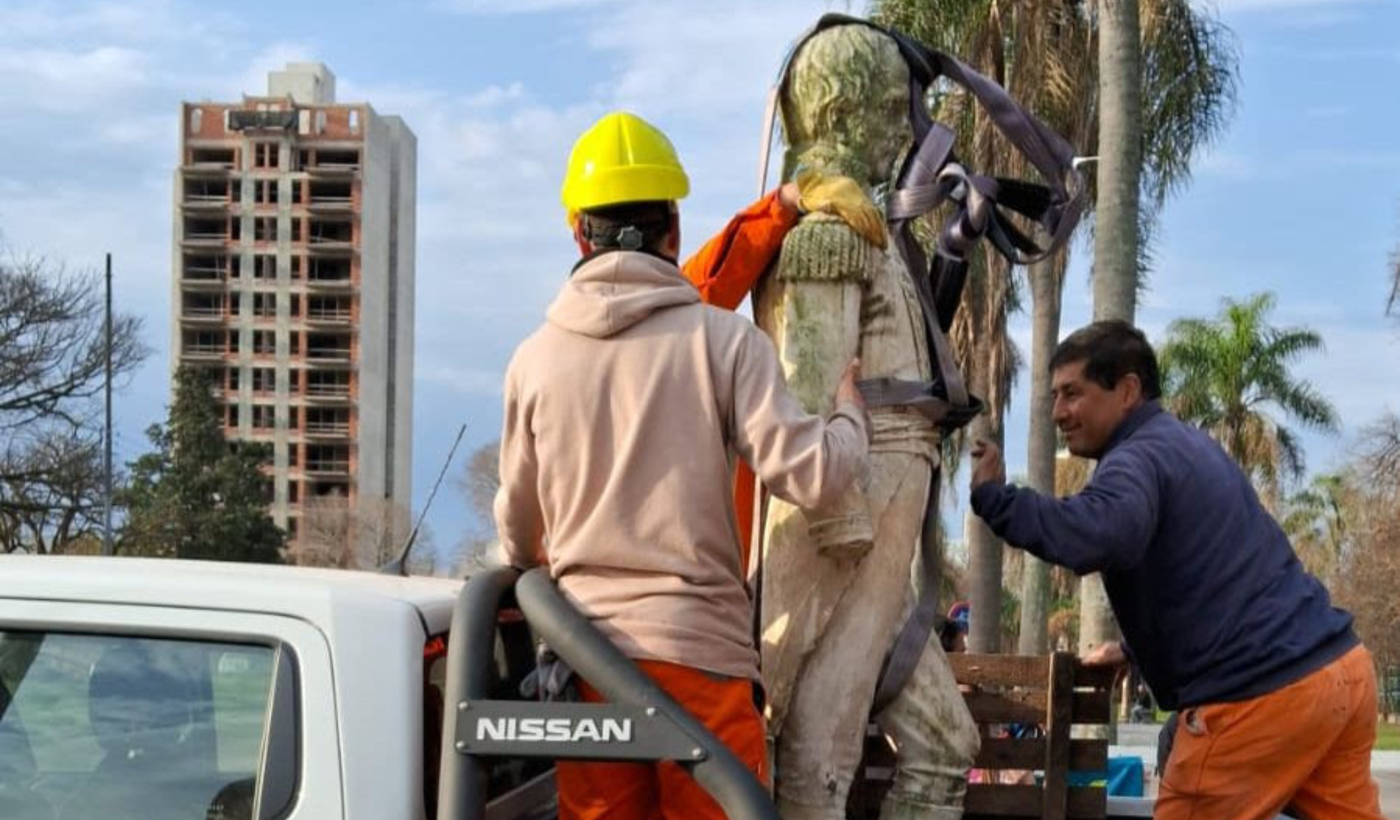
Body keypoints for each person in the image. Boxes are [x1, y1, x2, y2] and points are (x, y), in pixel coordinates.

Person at [494, 110, 871, 820]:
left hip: (587, 672)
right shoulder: (725, 344)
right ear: (672, 225)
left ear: (579, 231)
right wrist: (851, 414)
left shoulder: (533, 361)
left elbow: (518, 533)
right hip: (702, 664)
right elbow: (813, 476)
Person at [968, 319, 1384, 820]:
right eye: (1055, 396)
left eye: (1072, 393)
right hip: (1339, 673)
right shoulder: (1186, 447)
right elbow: (1216, 580)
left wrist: (995, 498)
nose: (1059, 412)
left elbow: (1097, 534)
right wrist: (1134, 650)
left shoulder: (1136, 459)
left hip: (1258, 695)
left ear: (1127, 390)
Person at [753, 23, 978, 820]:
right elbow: (809, 388)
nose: (905, 131)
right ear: (842, 110)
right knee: (818, 756)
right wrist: (838, 513)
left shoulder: (871, 233)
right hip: (850, 516)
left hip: (887, 516)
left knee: (945, 747)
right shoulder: (828, 238)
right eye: (891, 112)